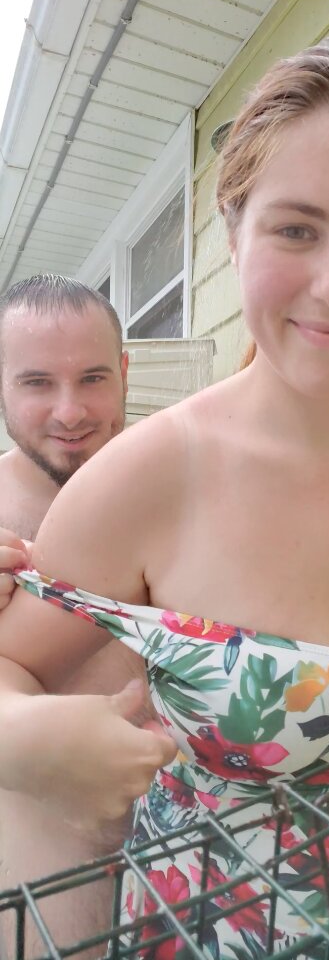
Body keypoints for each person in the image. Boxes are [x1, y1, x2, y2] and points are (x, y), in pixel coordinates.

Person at [0, 38, 329, 958]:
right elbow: (12, 666)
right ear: (232, 227)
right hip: (213, 934)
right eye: (296, 229)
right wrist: (20, 736)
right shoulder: (141, 479)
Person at [0, 275, 153, 956]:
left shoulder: (173, 487)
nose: (70, 411)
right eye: (37, 383)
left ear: (123, 372)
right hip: (38, 891)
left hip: (199, 870)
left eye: (93, 378)